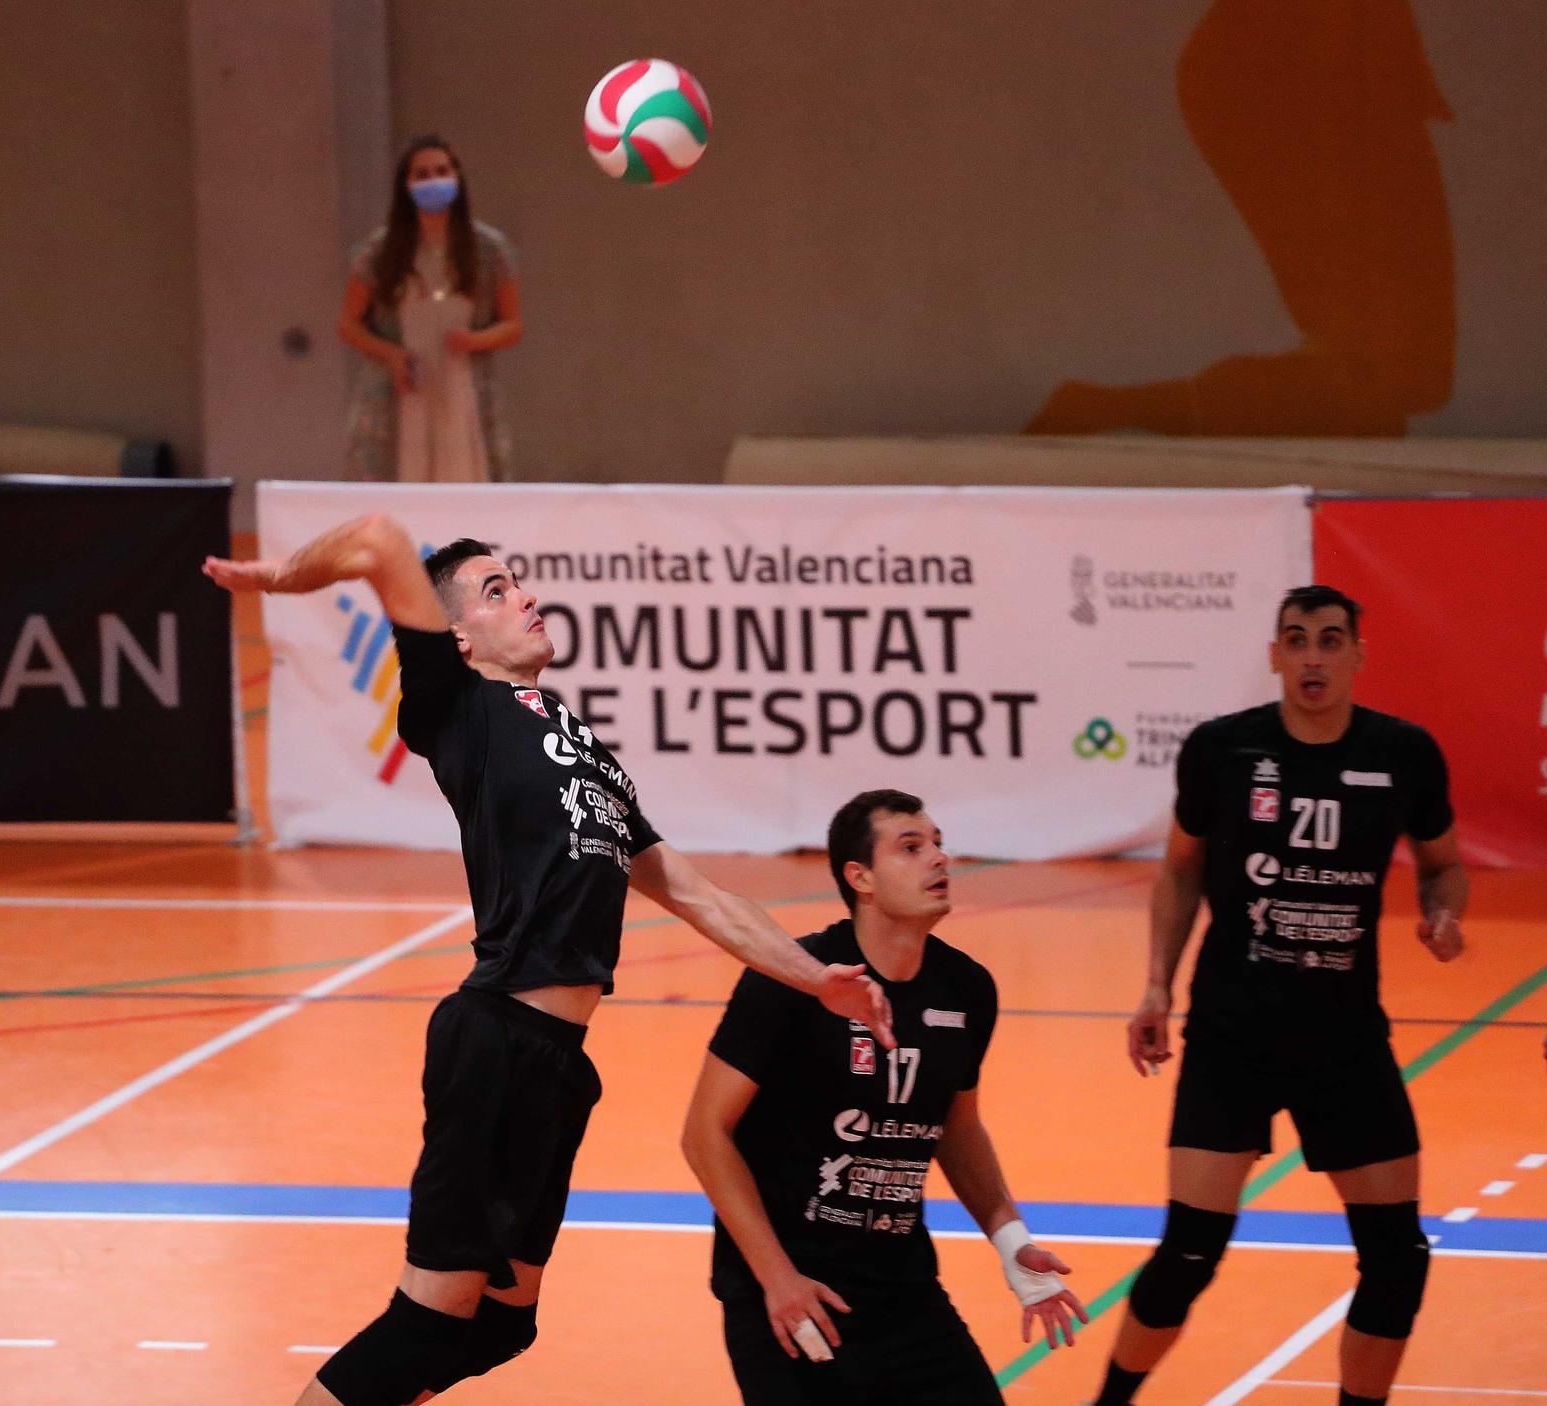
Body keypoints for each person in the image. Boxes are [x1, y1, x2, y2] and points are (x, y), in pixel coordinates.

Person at [202, 517, 891, 1406]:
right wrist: (276, 577)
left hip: (558, 1065)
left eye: (517, 580)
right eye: (496, 591)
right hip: (495, 1040)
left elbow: (696, 893)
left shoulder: (585, 752)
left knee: (501, 1326)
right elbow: (376, 541)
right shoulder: (457, 707)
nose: (524, 596)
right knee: (426, 1324)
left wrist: (815, 977)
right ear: (455, 635)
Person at [1092, 585, 1467, 1406]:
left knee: (1398, 1257)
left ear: (1358, 657)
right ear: (1273, 655)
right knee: (1188, 1252)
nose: (1313, 657)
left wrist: (1443, 912)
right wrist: (1156, 984)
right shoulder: (1224, 751)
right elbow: (1182, 865)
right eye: (1296, 641)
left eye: (1331, 641)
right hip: (1232, 1036)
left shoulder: (1404, 753)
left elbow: (1443, 861)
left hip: (1346, 1040)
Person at [683, 788, 1087, 1405]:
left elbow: (958, 1128)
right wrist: (778, 1279)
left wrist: (1012, 1244)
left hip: (903, 1291)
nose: (939, 859)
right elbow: (704, 1134)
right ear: (860, 877)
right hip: (794, 1297)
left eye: (939, 844)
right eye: (912, 847)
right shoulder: (797, 976)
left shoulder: (967, 989)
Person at [337, 135, 522, 483]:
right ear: (406, 186)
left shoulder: (490, 249)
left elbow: (513, 324)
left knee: (468, 487)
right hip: (403, 387)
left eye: (441, 171)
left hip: (463, 389)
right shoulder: (378, 251)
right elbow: (348, 325)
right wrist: (391, 354)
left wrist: (474, 341)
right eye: (421, 174)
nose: (433, 180)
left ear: (457, 177)